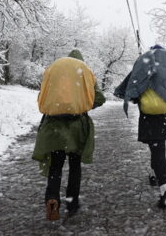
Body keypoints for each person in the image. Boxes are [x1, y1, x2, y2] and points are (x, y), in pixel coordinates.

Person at [114, 45, 166, 208]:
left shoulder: (144, 62)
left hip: (149, 115)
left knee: (156, 148)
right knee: (158, 148)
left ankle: (164, 190)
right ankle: (156, 178)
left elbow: (130, 88)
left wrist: (139, 97)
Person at [32, 49, 105, 221]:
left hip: (54, 127)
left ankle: (52, 199)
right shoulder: (85, 71)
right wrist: (83, 104)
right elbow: (100, 98)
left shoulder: (54, 70)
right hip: (76, 127)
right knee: (75, 166)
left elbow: (42, 95)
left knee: (55, 167)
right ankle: (72, 202)